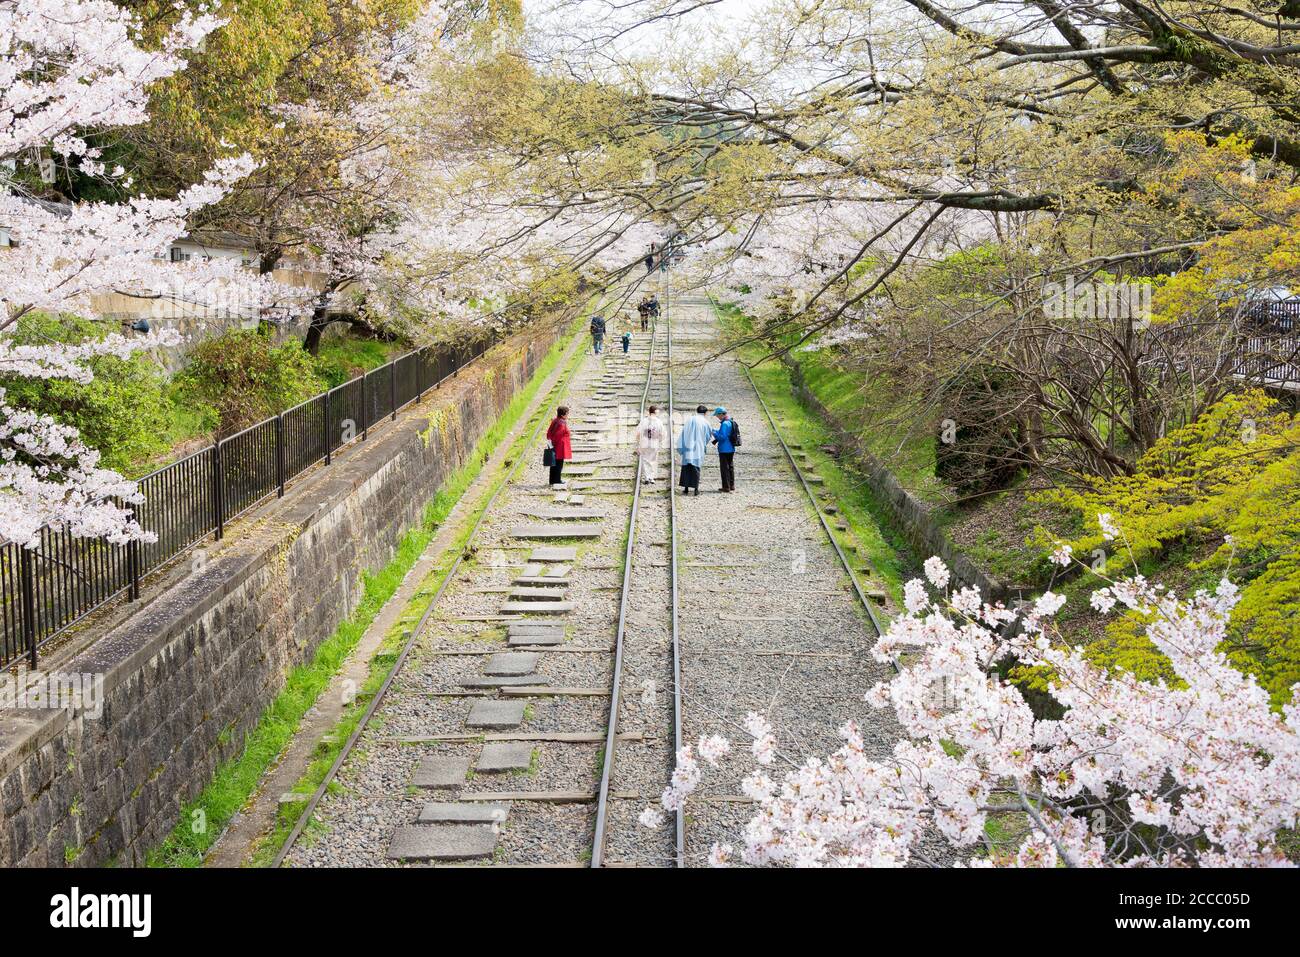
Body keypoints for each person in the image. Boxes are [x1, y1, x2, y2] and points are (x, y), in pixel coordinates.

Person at [677, 404, 712, 496]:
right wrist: (704, 443)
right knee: (696, 467)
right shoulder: (706, 422)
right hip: (698, 447)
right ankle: (696, 489)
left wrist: (681, 445)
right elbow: (708, 435)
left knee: (686, 466)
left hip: (688, 446)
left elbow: (684, 432)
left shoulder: (690, 419)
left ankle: (686, 488)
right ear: (705, 413)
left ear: (697, 411)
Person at [635, 404, 666, 483]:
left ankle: (647, 477)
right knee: (653, 460)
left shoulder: (644, 421)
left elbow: (638, 433)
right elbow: (663, 434)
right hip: (654, 443)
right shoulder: (659, 422)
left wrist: (638, 442)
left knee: (645, 459)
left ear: (649, 412)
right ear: (656, 413)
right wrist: (660, 441)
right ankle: (652, 477)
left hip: (644, 443)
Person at [712, 407, 737, 492]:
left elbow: (722, 437)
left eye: (717, 415)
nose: (717, 417)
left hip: (724, 449)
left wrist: (714, 433)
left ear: (721, 414)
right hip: (731, 448)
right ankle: (731, 485)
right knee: (730, 467)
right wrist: (716, 431)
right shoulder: (730, 421)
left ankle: (726, 487)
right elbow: (725, 434)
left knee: (724, 468)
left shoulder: (725, 424)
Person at [546, 406, 572, 488]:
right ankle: (557, 480)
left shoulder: (555, 420)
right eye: (567, 414)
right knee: (559, 463)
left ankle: (552, 480)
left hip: (554, 445)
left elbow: (549, 432)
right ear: (563, 415)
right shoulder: (562, 423)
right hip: (560, 446)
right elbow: (558, 435)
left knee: (553, 463)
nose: (568, 415)